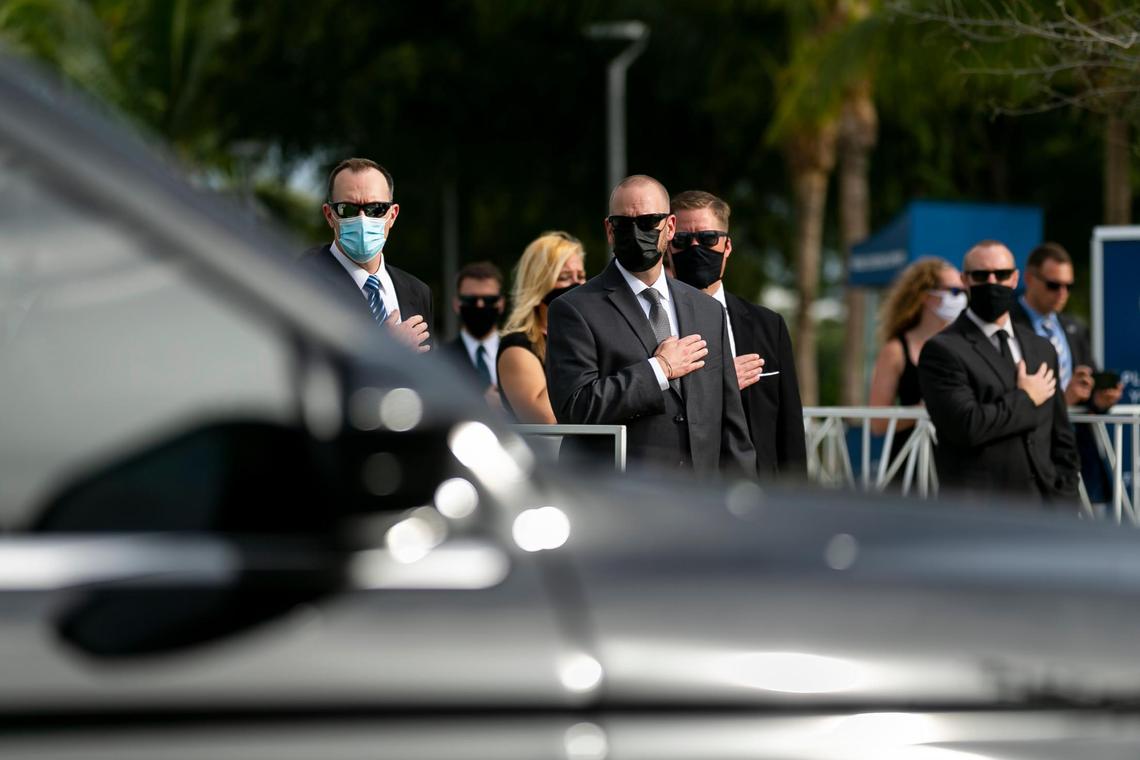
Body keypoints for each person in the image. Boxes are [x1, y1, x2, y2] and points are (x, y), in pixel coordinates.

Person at [545, 175, 755, 475]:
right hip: (619, 497)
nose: (635, 232)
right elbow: (575, 409)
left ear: (669, 227)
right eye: (623, 224)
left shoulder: (707, 310)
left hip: (699, 500)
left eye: (647, 222)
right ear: (609, 229)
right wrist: (659, 369)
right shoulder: (574, 308)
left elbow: (730, 422)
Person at [917, 239, 1079, 506]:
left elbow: (1060, 435)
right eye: (981, 275)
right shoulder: (942, 350)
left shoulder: (1041, 348)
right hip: (982, 512)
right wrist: (1026, 399)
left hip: (1045, 507)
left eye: (1001, 275)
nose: (992, 282)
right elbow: (967, 426)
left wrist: (1065, 493)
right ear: (965, 280)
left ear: (1015, 279)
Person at [667, 190, 806, 479]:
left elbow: (789, 424)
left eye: (707, 239)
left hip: (758, 488)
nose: (696, 248)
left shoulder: (769, 325)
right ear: (668, 248)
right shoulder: (654, 321)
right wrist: (722, 382)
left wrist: (798, 498)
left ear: (727, 246)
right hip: (683, 486)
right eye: (682, 240)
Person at [1011, 242, 1124, 502]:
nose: (1062, 293)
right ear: (1029, 278)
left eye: (1068, 286)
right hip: (1029, 450)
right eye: (1053, 285)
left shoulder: (1074, 327)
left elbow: (1089, 379)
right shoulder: (1007, 323)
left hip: (1076, 448)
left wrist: (1098, 399)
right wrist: (1063, 400)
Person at [297, 158, 432, 352]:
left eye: (375, 209)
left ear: (392, 215)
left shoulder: (418, 292)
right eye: (347, 209)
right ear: (329, 215)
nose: (362, 219)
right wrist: (384, 350)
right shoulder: (303, 281)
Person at [868, 258, 966, 462]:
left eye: (964, 291)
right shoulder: (895, 350)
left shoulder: (966, 344)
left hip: (956, 463)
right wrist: (923, 411)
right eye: (954, 291)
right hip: (910, 461)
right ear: (926, 296)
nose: (961, 298)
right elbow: (877, 422)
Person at [496, 232, 587, 423]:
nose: (577, 284)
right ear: (538, 284)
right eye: (564, 277)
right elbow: (545, 418)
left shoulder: (588, 337)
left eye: (581, 276)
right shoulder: (517, 348)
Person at [440, 261, 505, 407]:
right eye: (471, 300)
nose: (480, 305)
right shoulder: (440, 359)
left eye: (489, 300)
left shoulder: (519, 353)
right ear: (457, 304)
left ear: (501, 304)